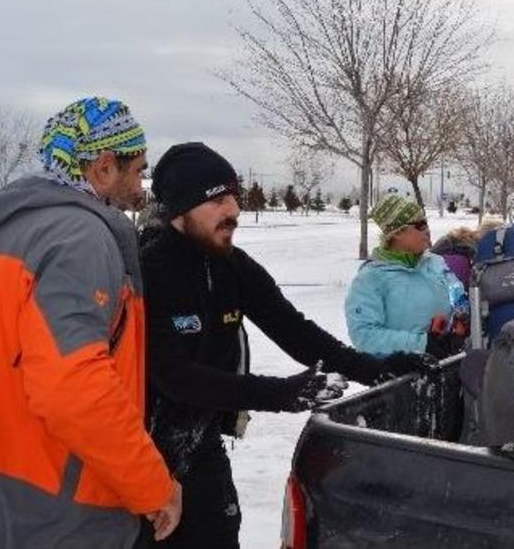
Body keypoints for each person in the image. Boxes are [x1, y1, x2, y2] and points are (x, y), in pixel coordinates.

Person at [0, 97, 181, 548]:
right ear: (102, 167)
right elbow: (74, 386)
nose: (143, 184)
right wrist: (153, 486)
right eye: (137, 168)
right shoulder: (81, 238)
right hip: (45, 516)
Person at [142, 143, 424, 549]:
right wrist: (282, 393)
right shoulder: (149, 271)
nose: (234, 210)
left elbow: (295, 331)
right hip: (148, 454)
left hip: (202, 446)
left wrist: (378, 368)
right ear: (182, 208)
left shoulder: (231, 265)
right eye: (218, 199)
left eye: (235, 197)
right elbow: (174, 376)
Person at [346, 195, 468, 359]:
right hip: (402, 375)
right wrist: (422, 344)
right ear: (397, 233)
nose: (427, 230)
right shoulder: (370, 278)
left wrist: (462, 315)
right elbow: (364, 335)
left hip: (448, 361)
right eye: (420, 225)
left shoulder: (436, 262)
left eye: (427, 224)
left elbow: (456, 291)